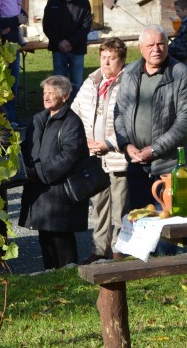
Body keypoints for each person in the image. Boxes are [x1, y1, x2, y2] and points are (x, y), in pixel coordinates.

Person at [114, 25, 187, 214]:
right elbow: (119, 112)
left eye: (161, 44)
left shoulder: (180, 74)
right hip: (136, 162)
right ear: (140, 47)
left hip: (169, 165)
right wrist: (126, 145)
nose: (156, 49)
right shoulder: (130, 73)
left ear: (167, 45)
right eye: (150, 45)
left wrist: (154, 149)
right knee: (140, 219)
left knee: (171, 221)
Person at [19, 75, 89, 269]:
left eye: (51, 92)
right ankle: (51, 278)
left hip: (60, 193)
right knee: (46, 240)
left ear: (64, 97)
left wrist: (38, 172)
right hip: (39, 191)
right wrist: (22, 167)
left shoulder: (71, 122)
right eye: (44, 92)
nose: (46, 97)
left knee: (62, 243)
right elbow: (26, 147)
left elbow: (69, 156)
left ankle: (70, 280)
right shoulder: (38, 119)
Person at [71, 38, 129, 263]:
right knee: (98, 205)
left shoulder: (128, 82)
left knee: (120, 205)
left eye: (111, 58)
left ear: (122, 60)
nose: (105, 63)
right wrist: (83, 139)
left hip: (117, 155)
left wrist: (110, 143)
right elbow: (75, 111)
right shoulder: (92, 81)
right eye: (103, 57)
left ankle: (120, 248)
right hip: (93, 155)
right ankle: (99, 248)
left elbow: (131, 122)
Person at [42, 0, 93, 98]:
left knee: (77, 83)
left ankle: (76, 106)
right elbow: (47, 25)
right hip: (58, 48)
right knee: (59, 83)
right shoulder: (53, 3)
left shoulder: (83, 3)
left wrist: (71, 42)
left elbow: (86, 26)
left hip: (77, 48)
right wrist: (59, 42)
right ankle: (60, 106)